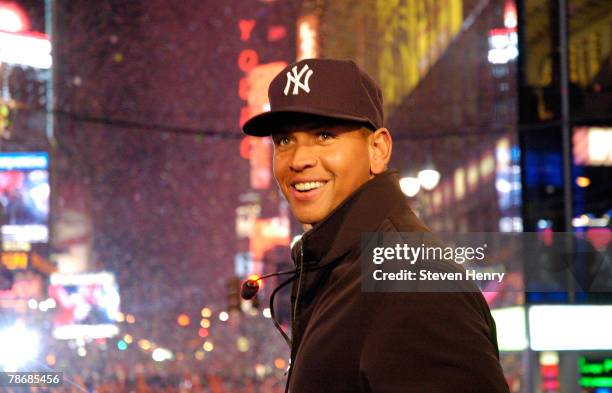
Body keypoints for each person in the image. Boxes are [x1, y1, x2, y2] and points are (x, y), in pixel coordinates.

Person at [242, 58, 509, 393]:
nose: (298, 160)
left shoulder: (410, 282)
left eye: (324, 135)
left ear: (378, 150)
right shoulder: (344, 270)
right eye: (284, 141)